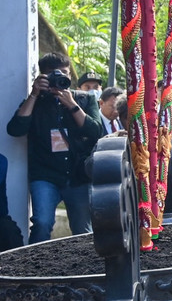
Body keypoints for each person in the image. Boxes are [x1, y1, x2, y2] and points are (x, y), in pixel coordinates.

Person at [6, 52, 102, 240]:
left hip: (78, 175)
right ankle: (35, 268)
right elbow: (15, 129)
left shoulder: (84, 100)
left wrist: (72, 105)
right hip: (45, 175)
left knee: (83, 230)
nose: (60, 77)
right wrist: (34, 95)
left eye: (64, 73)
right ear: (43, 76)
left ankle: (85, 268)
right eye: (53, 74)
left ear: (70, 76)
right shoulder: (36, 102)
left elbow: (96, 132)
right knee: (41, 223)